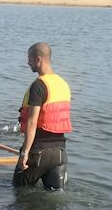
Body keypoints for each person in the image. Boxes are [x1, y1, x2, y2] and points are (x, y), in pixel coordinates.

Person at [14, 43, 72, 190]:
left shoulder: (39, 85)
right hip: (60, 153)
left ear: (38, 59)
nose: (28, 63)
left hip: (39, 152)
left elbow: (32, 123)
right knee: (53, 199)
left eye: (29, 59)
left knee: (20, 192)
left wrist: (25, 153)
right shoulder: (63, 84)